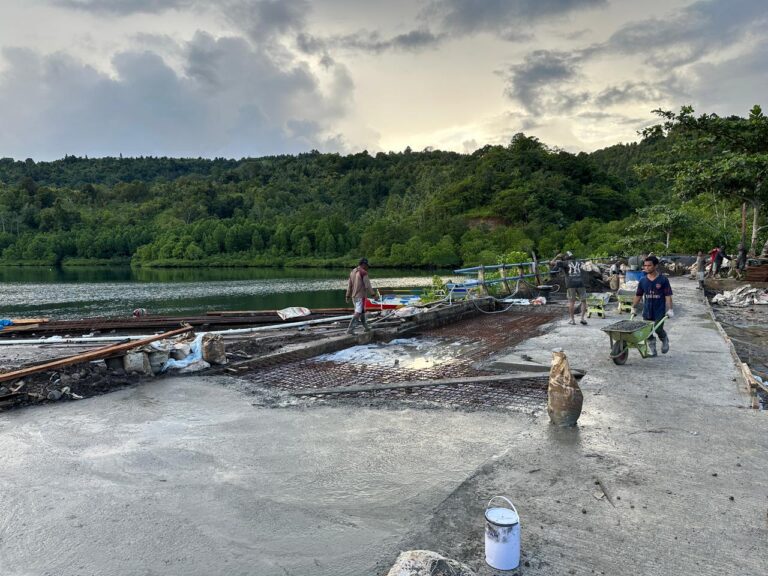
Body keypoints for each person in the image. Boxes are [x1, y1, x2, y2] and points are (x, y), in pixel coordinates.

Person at [632, 255, 674, 356]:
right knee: (647, 331)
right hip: (647, 310)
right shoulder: (643, 280)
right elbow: (638, 295)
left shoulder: (663, 280)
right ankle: (653, 350)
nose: (646, 267)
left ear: (655, 266)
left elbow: (668, 295)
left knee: (658, 328)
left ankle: (664, 339)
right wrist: (633, 307)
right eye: (645, 266)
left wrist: (670, 309)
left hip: (659, 310)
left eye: (649, 265)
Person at [551, 251, 588, 325]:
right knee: (583, 301)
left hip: (571, 284)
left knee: (572, 302)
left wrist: (557, 256)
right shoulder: (579, 262)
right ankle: (582, 318)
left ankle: (572, 320)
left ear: (565, 257)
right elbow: (585, 269)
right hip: (580, 283)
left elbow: (552, 263)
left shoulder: (565, 263)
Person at [345, 257, 375, 334]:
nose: (368, 267)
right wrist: (373, 295)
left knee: (362, 311)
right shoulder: (363, 273)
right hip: (360, 296)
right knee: (358, 312)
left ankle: (366, 327)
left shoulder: (352, 272)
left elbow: (349, 286)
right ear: (363, 264)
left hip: (353, 297)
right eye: (367, 265)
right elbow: (368, 285)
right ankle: (350, 329)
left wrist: (347, 296)